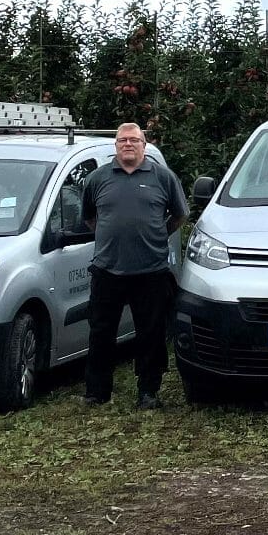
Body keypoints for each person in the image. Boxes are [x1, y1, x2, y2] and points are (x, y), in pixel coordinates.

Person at [81, 123, 190, 410]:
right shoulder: (97, 178)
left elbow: (180, 215)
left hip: (150, 271)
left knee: (151, 334)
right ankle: (97, 392)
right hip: (107, 270)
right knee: (101, 332)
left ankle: (148, 392)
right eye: (122, 141)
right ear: (115, 146)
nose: (127, 144)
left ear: (144, 144)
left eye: (133, 140)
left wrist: (154, 235)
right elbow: (90, 218)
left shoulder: (163, 177)